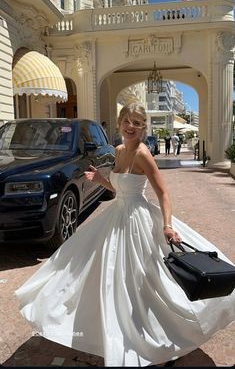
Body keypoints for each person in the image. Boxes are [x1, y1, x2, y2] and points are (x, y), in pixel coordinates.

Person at [15, 103, 235, 367]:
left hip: (138, 220)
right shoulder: (118, 151)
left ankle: (162, 338)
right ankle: (118, 329)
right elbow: (119, 190)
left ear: (143, 128)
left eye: (138, 123)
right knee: (105, 275)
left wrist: (166, 225)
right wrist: (99, 179)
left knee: (147, 280)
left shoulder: (143, 154)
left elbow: (164, 194)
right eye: (128, 121)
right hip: (116, 217)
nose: (132, 127)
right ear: (120, 123)